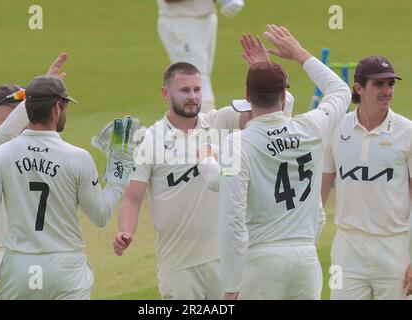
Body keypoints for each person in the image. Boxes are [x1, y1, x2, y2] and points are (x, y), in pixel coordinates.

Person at [0, 75, 139, 299]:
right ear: (57, 108)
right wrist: (116, 178)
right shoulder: (78, 157)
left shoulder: (1, 155)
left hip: (19, 267)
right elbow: (101, 215)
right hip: (66, 268)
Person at [220, 24, 351, 300]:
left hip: (260, 262)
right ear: (283, 95)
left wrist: (231, 285)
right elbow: (340, 91)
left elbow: (232, 219)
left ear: (246, 97)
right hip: (305, 261)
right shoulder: (312, 127)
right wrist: (300, 54)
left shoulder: (235, 143)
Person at [113, 60, 254, 300]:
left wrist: (261, 67)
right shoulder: (149, 140)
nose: (192, 97)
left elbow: (264, 110)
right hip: (178, 264)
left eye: (197, 90)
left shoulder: (218, 123)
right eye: (184, 91)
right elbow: (132, 200)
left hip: (225, 258)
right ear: (165, 93)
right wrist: (125, 232)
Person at [0, 53, 68, 299]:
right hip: (0, 262)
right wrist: (39, 92)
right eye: (16, 113)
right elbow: (4, 135)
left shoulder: (32, 154)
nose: (24, 120)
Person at [321, 56, 412, 299]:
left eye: (390, 84)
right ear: (359, 88)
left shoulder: (407, 132)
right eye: (379, 84)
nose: (387, 91)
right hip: (347, 248)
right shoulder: (337, 128)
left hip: (395, 247)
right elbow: (321, 191)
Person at [156, 0, 245, 112]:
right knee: (195, 79)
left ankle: (202, 125)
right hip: (182, 22)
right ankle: (203, 126)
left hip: (204, 19)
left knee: (200, 77)